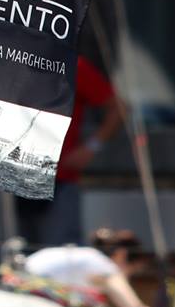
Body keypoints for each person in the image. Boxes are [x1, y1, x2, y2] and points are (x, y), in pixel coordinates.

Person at [16, 55, 121, 246]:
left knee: (61, 253)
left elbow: (118, 108)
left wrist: (90, 148)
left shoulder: (73, 64)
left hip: (59, 178)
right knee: (20, 256)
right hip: (14, 178)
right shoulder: (14, 58)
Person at [25, 228, 159, 307]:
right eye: (133, 270)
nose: (129, 278)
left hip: (18, 283)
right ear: (121, 255)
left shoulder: (91, 257)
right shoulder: (107, 268)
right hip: (30, 292)